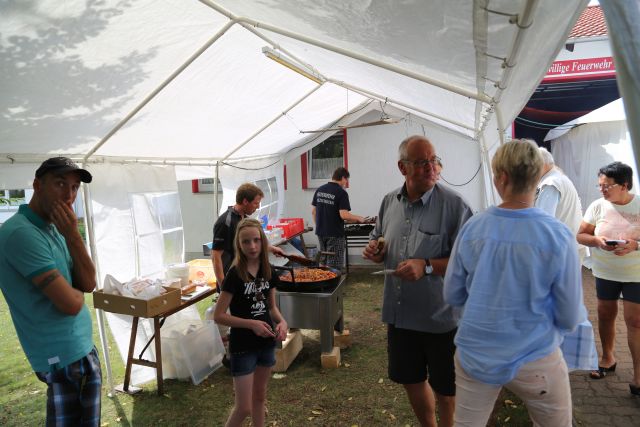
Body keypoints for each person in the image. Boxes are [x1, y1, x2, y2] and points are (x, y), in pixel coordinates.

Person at [444, 140, 582, 426]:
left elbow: (452, 293)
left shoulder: (474, 227)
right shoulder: (557, 234)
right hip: (537, 357)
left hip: (476, 354)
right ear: (536, 176)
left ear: (502, 178)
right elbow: (569, 316)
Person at [363, 135, 473, 427]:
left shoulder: (455, 205)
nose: (431, 167)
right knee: (411, 380)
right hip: (401, 316)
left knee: (446, 390)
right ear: (403, 167)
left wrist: (425, 265)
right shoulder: (389, 202)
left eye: (434, 160)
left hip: (441, 318)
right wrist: (376, 250)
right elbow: (379, 241)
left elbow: (468, 262)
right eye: (422, 162)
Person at [0, 157, 102, 426]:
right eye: (60, 184)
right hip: (61, 358)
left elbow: (89, 283)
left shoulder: (55, 228)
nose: (68, 195)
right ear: (37, 185)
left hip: (80, 348)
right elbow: (71, 303)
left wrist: (73, 236)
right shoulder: (20, 234)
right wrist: (76, 294)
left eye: (74, 187)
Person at [213, 218, 288, 427]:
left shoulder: (269, 271)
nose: (252, 246)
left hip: (266, 344)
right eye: (246, 242)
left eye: (256, 240)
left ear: (263, 241)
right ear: (239, 244)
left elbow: (271, 308)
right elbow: (218, 315)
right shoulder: (234, 274)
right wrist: (251, 324)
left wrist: (282, 322)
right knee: (244, 407)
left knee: (259, 399)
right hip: (243, 347)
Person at [577, 161, 640, 395]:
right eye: (599, 185)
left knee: (635, 322)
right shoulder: (597, 206)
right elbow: (581, 235)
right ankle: (607, 358)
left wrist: (636, 245)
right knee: (605, 314)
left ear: (624, 185)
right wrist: (597, 241)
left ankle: (638, 376)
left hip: (636, 274)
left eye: (607, 186)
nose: (602, 190)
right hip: (606, 272)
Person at [535, 147, 597, 371]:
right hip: (566, 253)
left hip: (557, 257)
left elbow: (541, 223)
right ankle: (566, 358)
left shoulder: (550, 184)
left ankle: (558, 359)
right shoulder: (558, 179)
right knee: (566, 306)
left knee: (556, 309)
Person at [212, 183, 284, 289]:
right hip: (230, 280)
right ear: (245, 201)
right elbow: (215, 256)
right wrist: (223, 286)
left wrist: (272, 249)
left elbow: (251, 244)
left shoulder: (244, 219)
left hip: (244, 276)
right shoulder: (225, 222)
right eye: (256, 203)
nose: (258, 207)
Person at [312, 167, 367, 270]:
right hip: (335, 234)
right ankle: (333, 285)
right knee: (334, 266)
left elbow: (313, 211)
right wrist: (359, 218)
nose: (346, 183)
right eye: (346, 180)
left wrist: (319, 226)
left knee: (323, 261)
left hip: (320, 232)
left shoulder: (320, 190)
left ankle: (322, 284)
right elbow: (344, 215)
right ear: (342, 178)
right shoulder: (341, 193)